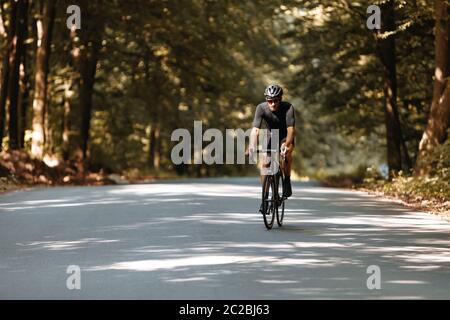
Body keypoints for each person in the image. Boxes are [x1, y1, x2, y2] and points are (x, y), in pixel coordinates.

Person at [248, 84, 295, 212]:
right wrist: (252, 146)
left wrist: (287, 145)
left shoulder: (288, 107)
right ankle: (264, 198)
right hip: (271, 136)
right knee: (265, 164)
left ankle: (286, 180)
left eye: (276, 101)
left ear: (280, 99)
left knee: (287, 154)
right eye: (270, 101)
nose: (273, 104)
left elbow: (291, 130)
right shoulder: (261, 108)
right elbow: (255, 130)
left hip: (285, 136)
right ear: (266, 100)